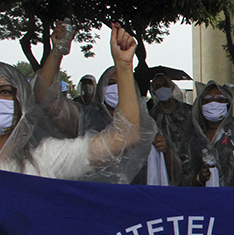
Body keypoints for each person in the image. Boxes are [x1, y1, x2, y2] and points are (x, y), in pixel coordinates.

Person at [0, 24, 154, 181]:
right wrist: (56, 51)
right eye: (110, 84)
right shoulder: (85, 115)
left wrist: (124, 66)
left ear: (22, 104)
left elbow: (126, 136)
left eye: (4, 92)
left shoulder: (44, 160)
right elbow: (46, 96)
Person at [179, 81, 234, 187]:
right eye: (207, 100)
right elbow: (182, 180)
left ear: (228, 105)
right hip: (206, 201)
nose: (213, 104)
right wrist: (199, 178)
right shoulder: (192, 142)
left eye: (220, 99)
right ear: (200, 107)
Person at [148, 73, 193, 185]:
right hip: (164, 171)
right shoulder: (151, 117)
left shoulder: (189, 112)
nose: (162, 88)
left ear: (172, 87)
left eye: (165, 84)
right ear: (153, 92)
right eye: (157, 86)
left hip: (190, 169)